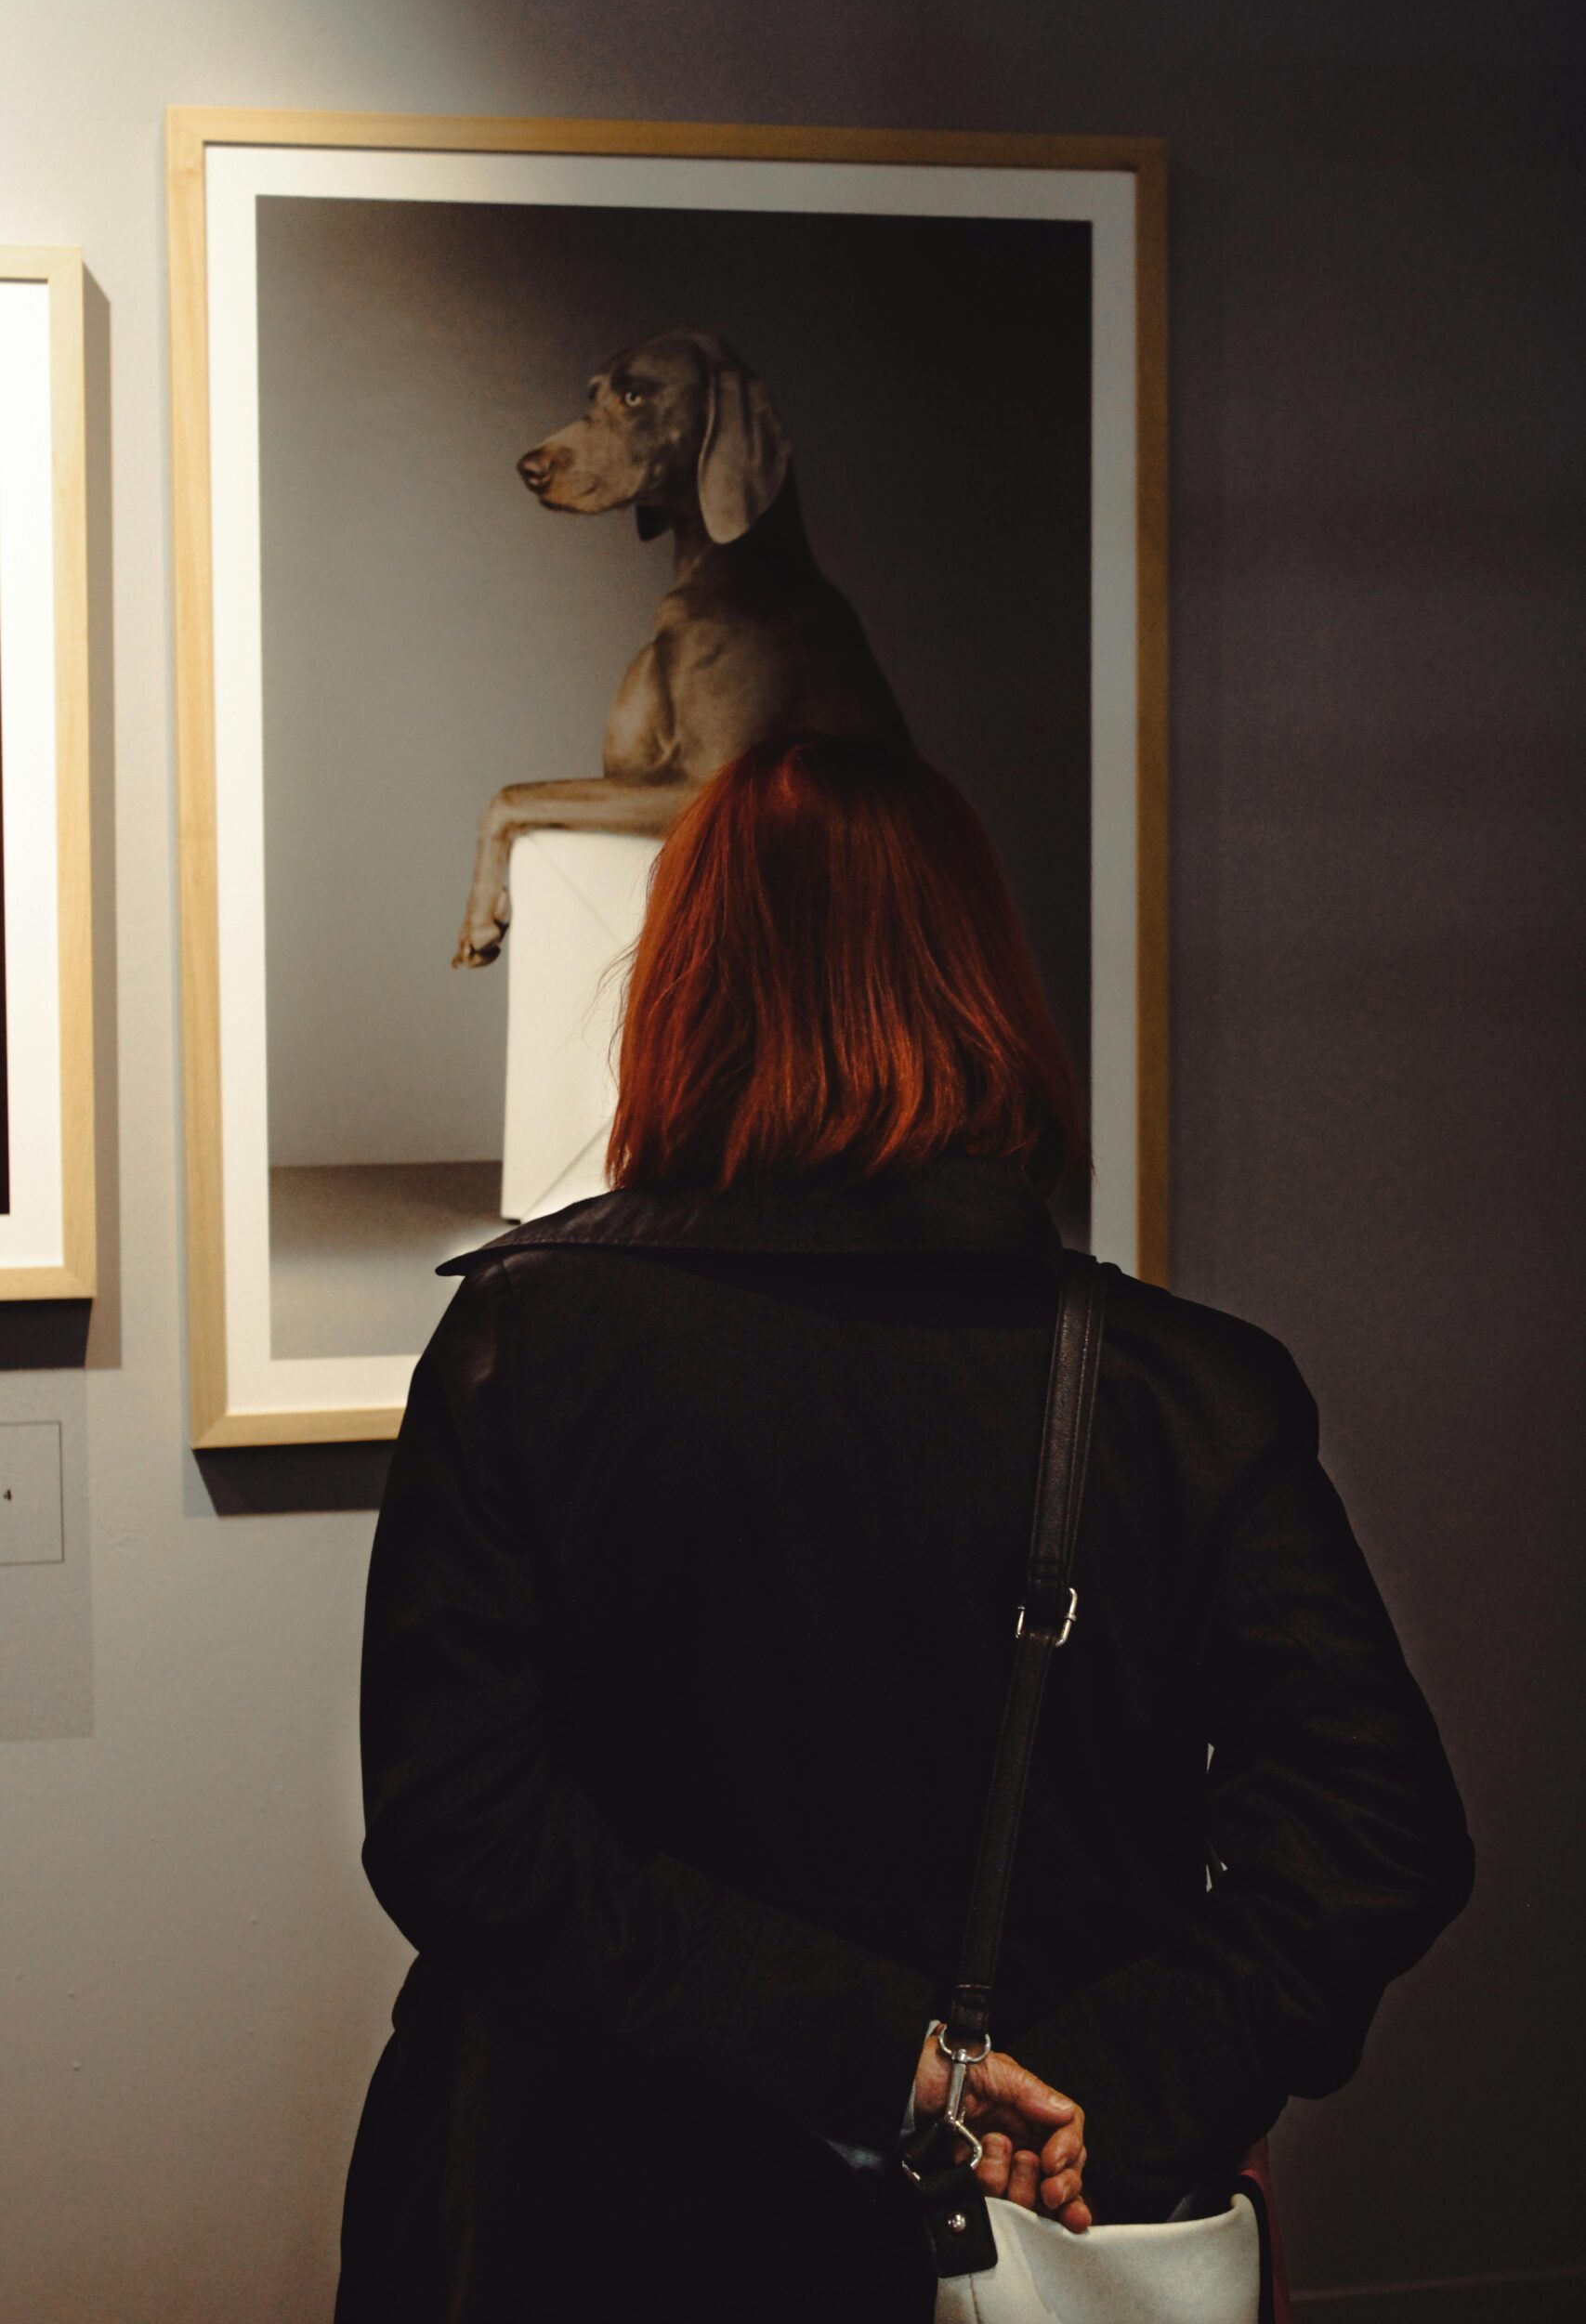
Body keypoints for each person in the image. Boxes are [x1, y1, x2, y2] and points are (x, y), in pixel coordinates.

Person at [334, 733, 1474, 2323]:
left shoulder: (531, 1349)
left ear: (684, 995)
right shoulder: (1182, 1392)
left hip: (592, 2211)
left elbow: (462, 1827)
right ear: (982, 992)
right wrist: (1105, 2084)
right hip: (1017, 2233)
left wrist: (895, 2061)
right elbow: (1377, 1828)